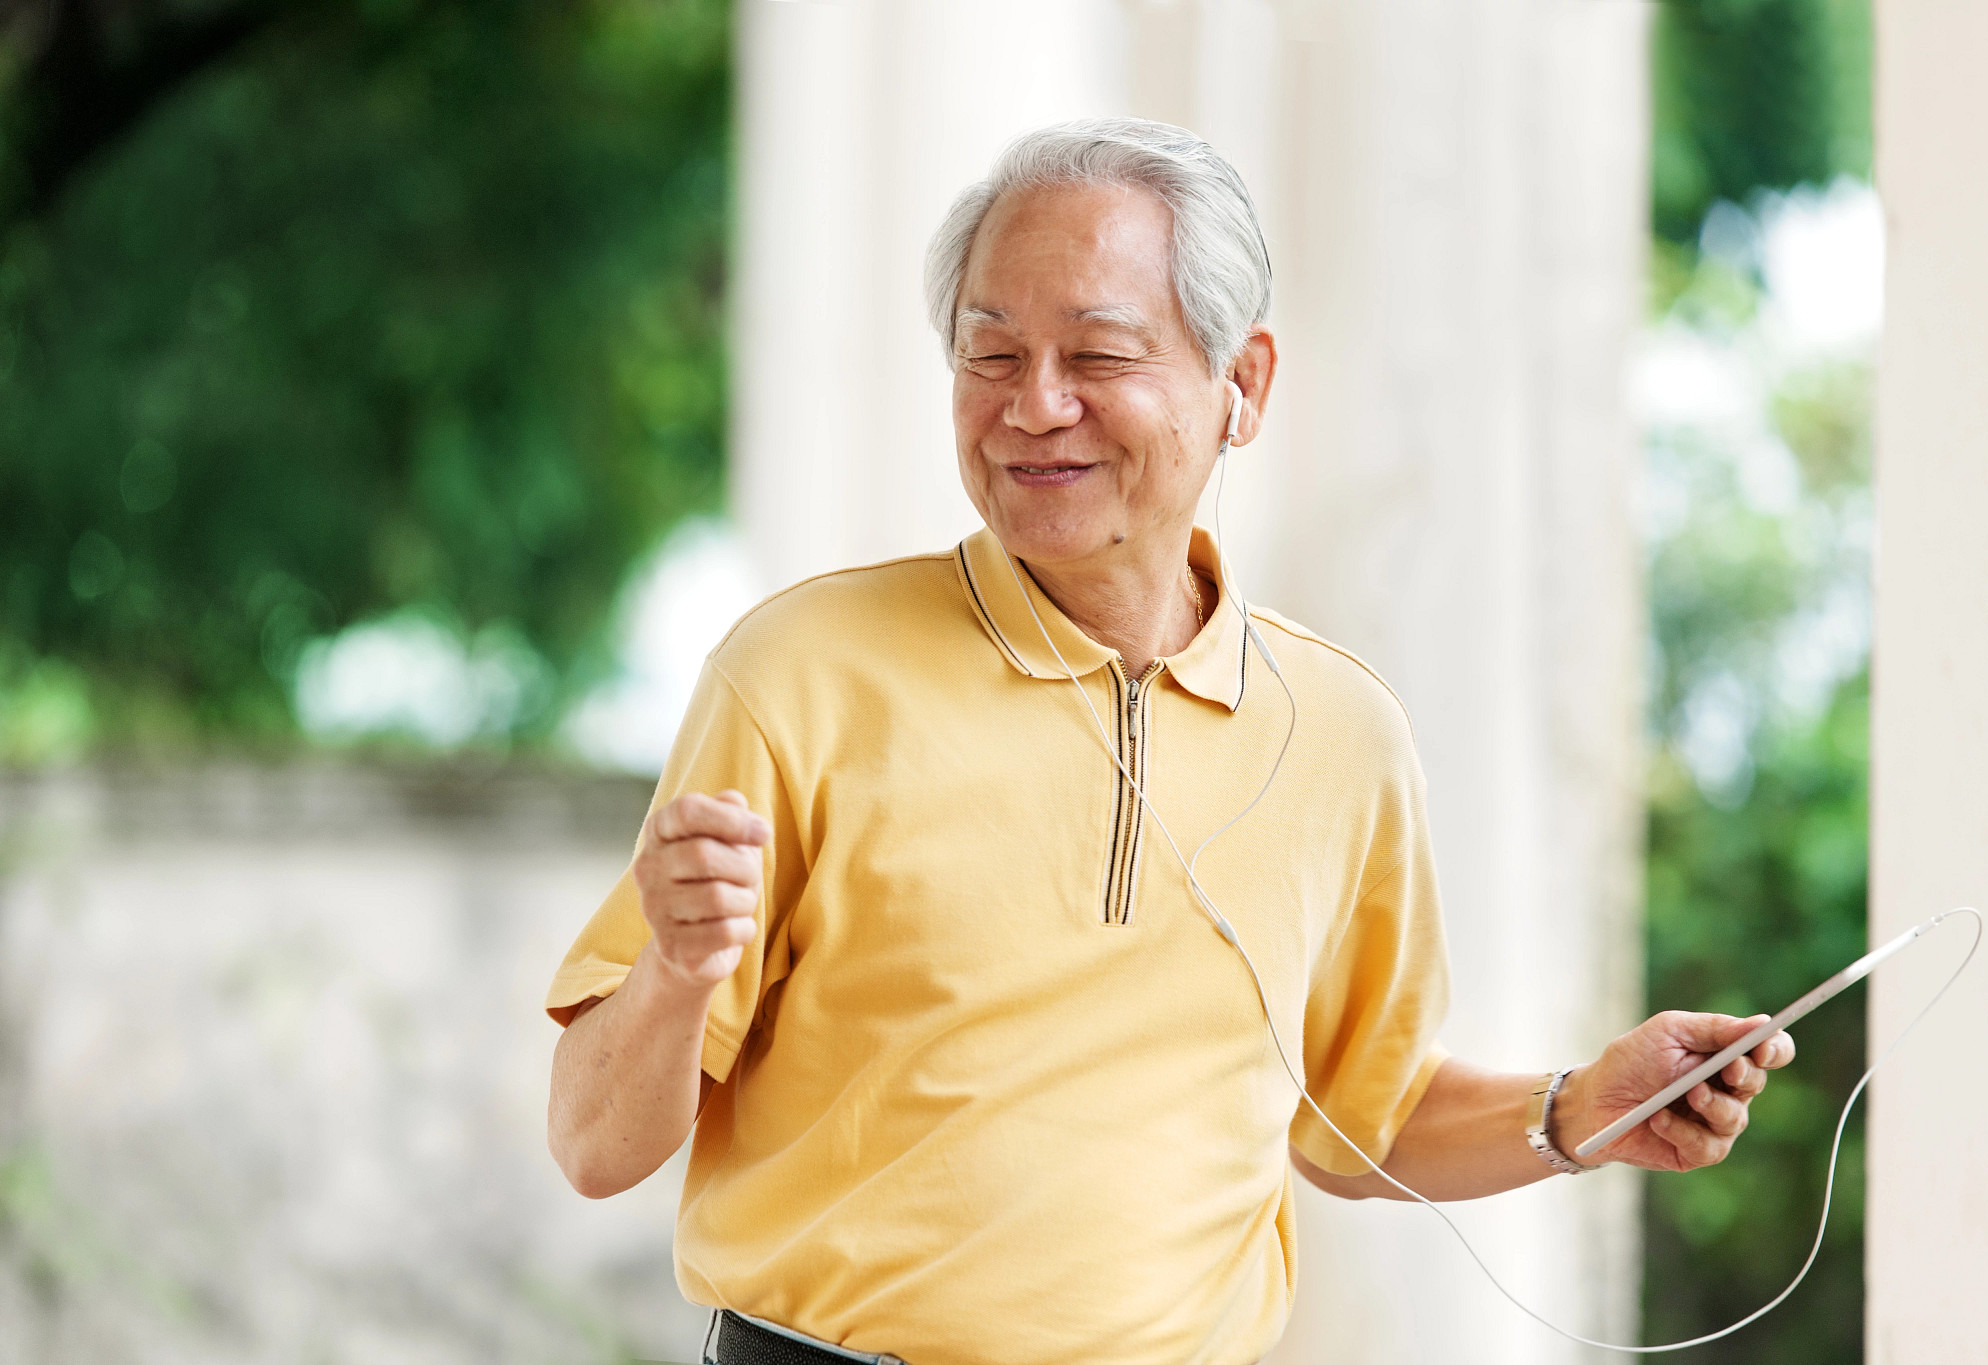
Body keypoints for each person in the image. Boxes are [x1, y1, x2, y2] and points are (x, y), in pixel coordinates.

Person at [544, 118, 1793, 1365]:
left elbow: (1368, 1111)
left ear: (1240, 385)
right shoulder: (798, 673)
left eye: (1095, 353)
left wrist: (1580, 1110)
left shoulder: (1339, 734)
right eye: (990, 355)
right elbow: (595, 1148)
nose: (1034, 407)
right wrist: (674, 967)